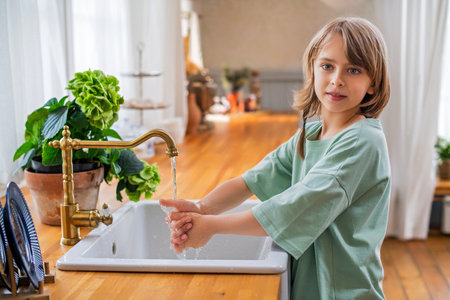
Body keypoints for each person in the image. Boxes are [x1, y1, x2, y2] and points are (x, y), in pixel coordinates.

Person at [160, 16, 391, 300]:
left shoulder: (363, 142)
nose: (336, 80)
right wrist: (202, 207)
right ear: (313, 70)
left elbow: (294, 207)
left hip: (345, 292)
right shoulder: (311, 134)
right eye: (327, 66)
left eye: (353, 69)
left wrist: (212, 227)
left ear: (372, 83)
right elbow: (252, 180)